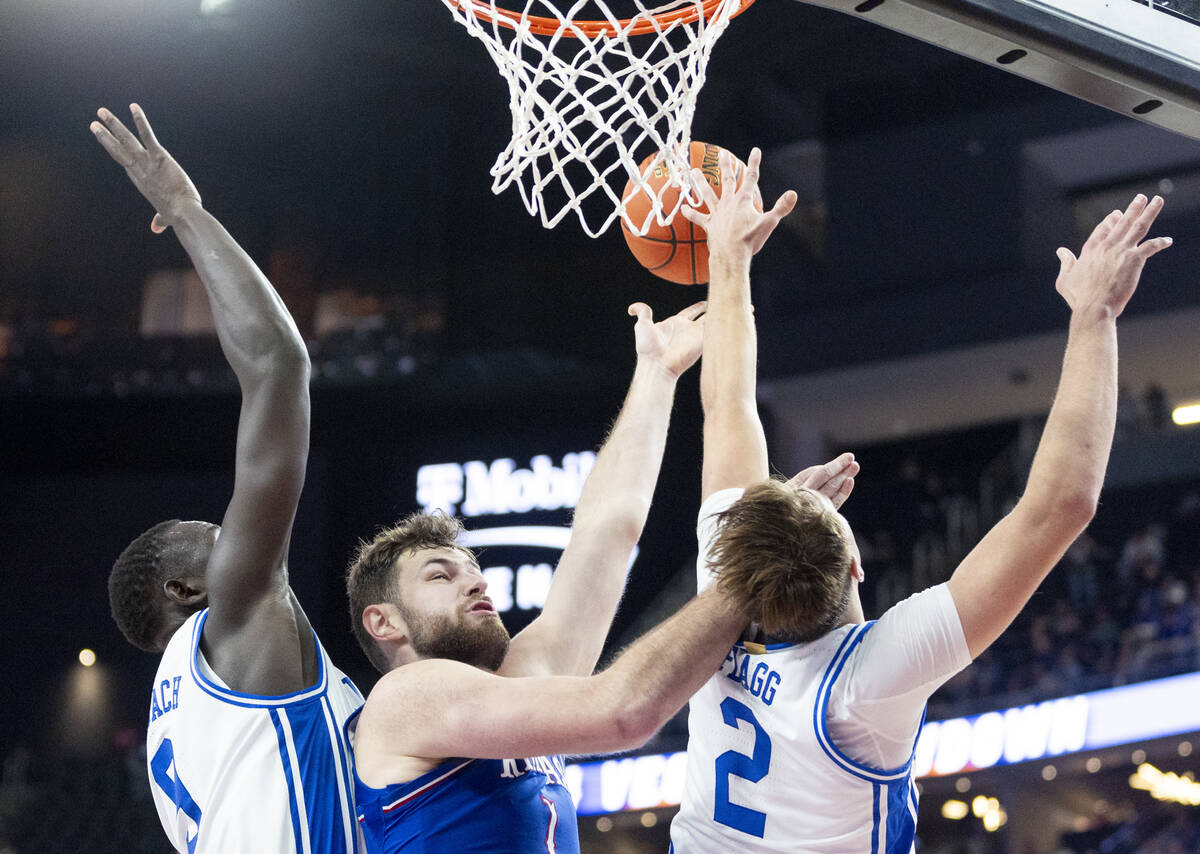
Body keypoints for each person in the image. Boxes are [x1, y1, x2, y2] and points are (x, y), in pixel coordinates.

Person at [668, 149, 1172, 853]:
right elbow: (1061, 504)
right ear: (853, 570)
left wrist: (727, 262)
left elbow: (727, 410)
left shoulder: (716, 599)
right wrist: (1093, 314)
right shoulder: (861, 684)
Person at [344, 283, 816, 852]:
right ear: (383, 623)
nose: (475, 579)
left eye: (470, 567)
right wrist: (757, 564)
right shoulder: (405, 698)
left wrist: (657, 375)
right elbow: (624, 713)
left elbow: (606, 537)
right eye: (440, 575)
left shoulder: (510, 689)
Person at [95, 105, 364, 854]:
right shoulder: (236, 617)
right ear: (187, 590)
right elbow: (280, 366)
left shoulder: (167, 733)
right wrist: (186, 210)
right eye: (218, 537)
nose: (241, 532)